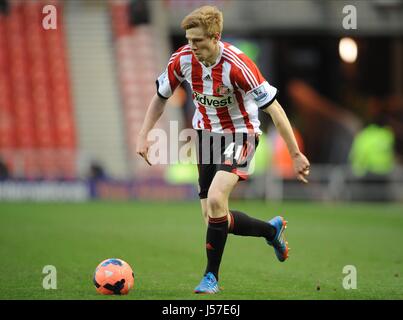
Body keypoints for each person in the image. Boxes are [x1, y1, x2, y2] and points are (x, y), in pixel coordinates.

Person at [136, 5, 310, 294]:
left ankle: (210, 278)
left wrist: (294, 153)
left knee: (217, 198)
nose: (191, 47)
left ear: (215, 37)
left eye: (198, 41)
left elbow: (275, 110)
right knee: (214, 218)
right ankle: (271, 230)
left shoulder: (238, 65)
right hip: (205, 136)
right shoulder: (182, 60)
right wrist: (144, 134)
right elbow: (160, 97)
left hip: (241, 134)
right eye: (188, 40)